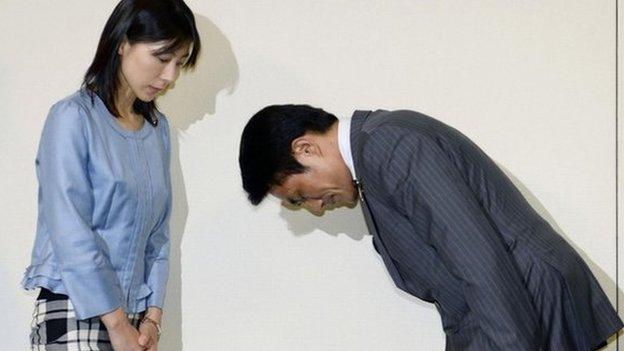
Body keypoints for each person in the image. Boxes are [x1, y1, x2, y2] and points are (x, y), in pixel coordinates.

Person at [238, 105, 623, 350]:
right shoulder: (375, 159)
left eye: (300, 195)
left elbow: (480, 263)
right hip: (513, 312)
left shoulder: (391, 147)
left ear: (305, 149)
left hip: (527, 308)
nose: (316, 209)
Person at [22, 1, 200, 350]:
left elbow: (159, 234)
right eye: (162, 58)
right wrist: (117, 325)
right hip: (73, 308)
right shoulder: (72, 118)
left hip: (134, 321)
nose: (170, 77)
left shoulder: (157, 129)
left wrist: (152, 318)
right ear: (122, 42)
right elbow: (70, 229)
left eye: (179, 63)